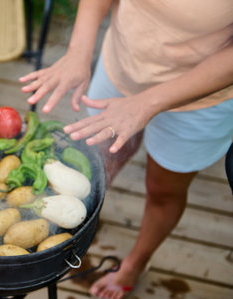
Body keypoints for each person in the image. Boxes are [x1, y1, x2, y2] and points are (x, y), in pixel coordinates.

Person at [19, 1, 233, 298]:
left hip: (202, 96)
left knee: (163, 190)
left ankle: (136, 263)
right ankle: (84, 215)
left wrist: (146, 103)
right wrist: (78, 52)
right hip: (122, 61)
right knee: (98, 162)